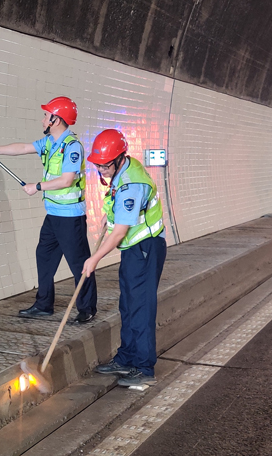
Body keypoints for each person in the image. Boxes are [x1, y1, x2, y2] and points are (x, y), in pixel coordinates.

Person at [0, 97, 98, 323]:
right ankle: (44, 304)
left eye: (46, 115)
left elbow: (66, 180)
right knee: (43, 256)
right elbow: (23, 147)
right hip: (53, 215)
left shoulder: (72, 147)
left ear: (56, 119)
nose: (43, 119)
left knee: (79, 264)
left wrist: (38, 186)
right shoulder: (49, 143)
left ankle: (87, 308)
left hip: (70, 216)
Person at [83, 129, 166, 388]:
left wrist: (94, 259)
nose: (101, 169)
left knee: (141, 308)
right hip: (133, 250)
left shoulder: (131, 185)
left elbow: (120, 232)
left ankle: (143, 367)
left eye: (105, 164)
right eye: (98, 164)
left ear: (119, 158)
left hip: (145, 249)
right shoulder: (122, 172)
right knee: (128, 306)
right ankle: (126, 358)